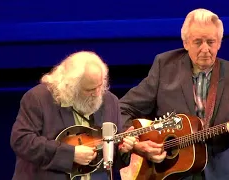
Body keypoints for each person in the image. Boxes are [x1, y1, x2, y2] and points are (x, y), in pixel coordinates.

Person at [119, 8, 229, 180]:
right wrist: (137, 142)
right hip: (170, 172)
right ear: (185, 43)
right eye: (198, 42)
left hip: (221, 173)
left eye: (211, 42)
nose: (205, 49)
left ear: (220, 43)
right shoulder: (165, 66)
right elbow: (123, 109)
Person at [10, 51, 137, 180]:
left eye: (100, 86)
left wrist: (123, 150)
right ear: (71, 86)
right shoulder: (39, 98)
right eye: (89, 90)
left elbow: (113, 161)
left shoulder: (110, 101)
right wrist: (71, 154)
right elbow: (22, 141)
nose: (98, 94)